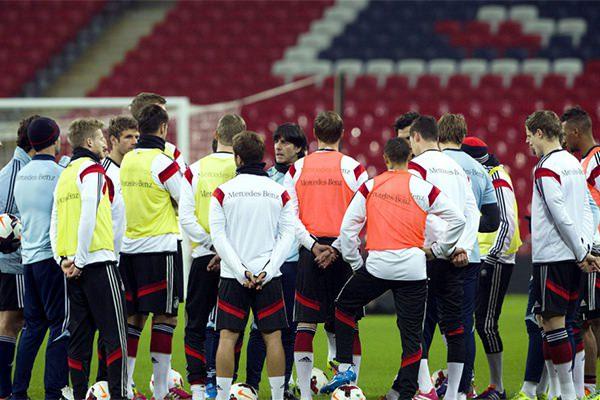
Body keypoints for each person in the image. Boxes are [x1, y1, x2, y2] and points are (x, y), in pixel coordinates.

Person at [321, 137, 466, 399]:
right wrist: (439, 250)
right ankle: (407, 393)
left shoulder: (371, 186)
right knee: (412, 336)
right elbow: (458, 219)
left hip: (379, 266)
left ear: (385, 158)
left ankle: (345, 366)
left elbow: (348, 229)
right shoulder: (424, 188)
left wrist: (356, 264)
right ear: (410, 158)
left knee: (343, 306)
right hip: (413, 268)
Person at [386, 115, 479, 400]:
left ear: (415, 137)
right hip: (456, 257)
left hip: (427, 255)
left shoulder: (417, 167)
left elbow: (423, 212)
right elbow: (471, 212)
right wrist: (461, 247)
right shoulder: (456, 168)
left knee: (415, 324)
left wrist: (438, 247)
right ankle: (454, 393)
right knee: (455, 327)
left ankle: (426, 389)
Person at [284, 111, 368, 400]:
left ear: (315, 135)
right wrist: (337, 248)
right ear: (342, 133)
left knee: (305, 323)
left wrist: (312, 246)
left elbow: (290, 216)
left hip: (311, 253)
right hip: (343, 253)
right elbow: (362, 215)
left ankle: (306, 395)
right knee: (347, 321)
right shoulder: (355, 169)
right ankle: (350, 388)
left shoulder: (297, 169)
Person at [209, 131, 294, 400]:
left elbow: (218, 238)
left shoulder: (222, 192)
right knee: (273, 337)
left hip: (233, 277)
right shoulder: (280, 192)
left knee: (227, 337)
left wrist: (241, 271)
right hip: (269, 277)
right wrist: (267, 270)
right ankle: (278, 397)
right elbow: (288, 236)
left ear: (237, 158)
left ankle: (222, 397)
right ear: (261, 156)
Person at [50, 118, 127, 400]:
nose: (105, 144)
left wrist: (62, 259)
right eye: (101, 138)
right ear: (89, 142)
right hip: (96, 262)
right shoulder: (92, 170)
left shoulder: (65, 174)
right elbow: (89, 215)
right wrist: (82, 260)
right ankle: (119, 395)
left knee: (79, 338)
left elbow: (54, 221)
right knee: (115, 335)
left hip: (71, 266)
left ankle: (81, 394)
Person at [526, 110, 600, 400]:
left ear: (540, 133)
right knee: (569, 323)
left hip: (553, 256)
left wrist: (582, 250)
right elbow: (588, 208)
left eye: (529, 135)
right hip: (574, 255)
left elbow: (558, 215)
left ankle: (567, 393)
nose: (527, 142)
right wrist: (585, 247)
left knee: (553, 323)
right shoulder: (573, 163)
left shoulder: (545, 167)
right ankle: (572, 392)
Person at [120, 105, 187, 400]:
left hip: (128, 249)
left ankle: (125, 386)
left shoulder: (127, 160)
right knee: (166, 318)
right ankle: (160, 391)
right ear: (163, 129)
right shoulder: (163, 162)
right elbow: (185, 199)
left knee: (133, 318)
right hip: (160, 249)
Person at [179, 113, 246, 400]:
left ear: (216, 135)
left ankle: (197, 386)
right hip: (235, 259)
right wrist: (225, 247)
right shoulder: (243, 171)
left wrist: (211, 243)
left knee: (195, 323)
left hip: (203, 257)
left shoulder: (194, 170)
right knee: (232, 325)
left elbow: (185, 218)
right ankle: (226, 386)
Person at [437, 114, 500, 400]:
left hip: (437, 253)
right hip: (470, 256)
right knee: (464, 323)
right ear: (462, 136)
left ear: (439, 135)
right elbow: (493, 220)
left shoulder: (433, 164)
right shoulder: (479, 169)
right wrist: (468, 230)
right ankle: (464, 388)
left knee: (427, 321)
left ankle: (420, 387)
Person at [245, 123, 307, 399]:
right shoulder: (266, 178)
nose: (279, 147)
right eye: (277, 141)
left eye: (286, 142)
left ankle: (282, 388)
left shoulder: (304, 178)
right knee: (260, 326)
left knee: (290, 328)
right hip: (266, 263)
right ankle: (251, 385)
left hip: (293, 261)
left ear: (300, 147)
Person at [461, 136, 523, 399]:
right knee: (466, 322)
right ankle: (467, 383)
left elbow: (507, 222)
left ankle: (498, 387)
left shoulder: (497, 178)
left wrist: (492, 257)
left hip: (495, 259)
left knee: (486, 324)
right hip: (479, 255)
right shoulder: (486, 175)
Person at [11, 117, 68, 400]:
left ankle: (18, 392)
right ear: (55, 140)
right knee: (61, 325)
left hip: (28, 259)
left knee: (33, 327)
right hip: (51, 258)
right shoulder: (60, 174)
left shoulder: (21, 175)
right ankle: (53, 392)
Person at [94, 116, 139, 393]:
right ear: (112, 140)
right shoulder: (104, 173)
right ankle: (102, 384)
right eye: (128, 137)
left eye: (136, 137)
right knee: (105, 326)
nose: (134, 142)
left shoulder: (131, 170)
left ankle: (111, 384)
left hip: (127, 255)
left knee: (120, 323)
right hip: (106, 259)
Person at [561, 106, 600, 397]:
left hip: (594, 247)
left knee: (586, 319)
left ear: (576, 131)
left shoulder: (595, 161)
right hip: (592, 245)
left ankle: (588, 386)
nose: (563, 140)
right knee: (591, 318)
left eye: (565, 133)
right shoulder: (585, 161)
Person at [0, 116, 35, 400]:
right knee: (12, 321)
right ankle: (4, 389)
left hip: (18, 260)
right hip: (14, 262)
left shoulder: (24, 169)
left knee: (16, 321)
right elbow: (6, 221)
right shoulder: (14, 174)